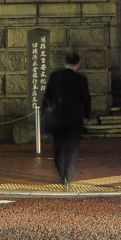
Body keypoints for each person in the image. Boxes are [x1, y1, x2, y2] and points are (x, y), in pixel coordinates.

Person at [43, 50, 91, 187]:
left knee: (58, 148)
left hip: (57, 118)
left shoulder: (55, 77)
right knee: (72, 148)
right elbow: (86, 100)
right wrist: (87, 116)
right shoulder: (81, 79)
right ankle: (67, 176)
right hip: (74, 119)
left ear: (65, 62)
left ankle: (61, 173)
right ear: (78, 63)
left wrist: (44, 114)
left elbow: (47, 97)